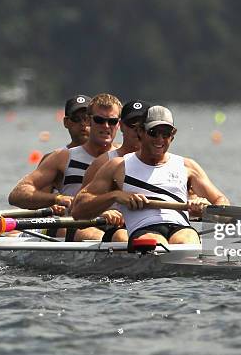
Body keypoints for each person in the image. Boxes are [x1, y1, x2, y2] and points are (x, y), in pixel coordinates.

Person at [72, 105, 229, 248]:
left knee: (187, 239)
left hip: (181, 229)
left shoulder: (187, 166)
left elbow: (222, 203)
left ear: (173, 135)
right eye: (154, 133)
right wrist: (115, 196)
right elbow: (78, 211)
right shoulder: (118, 166)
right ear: (141, 132)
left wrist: (206, 208)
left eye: (166, 134)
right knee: (156, 243)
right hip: (143, 230)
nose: (160, 140)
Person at [8, 93, 122, 241]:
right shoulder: (61, 157)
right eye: (99, 120)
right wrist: (57, 199)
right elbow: (17, 195)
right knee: (96, 236)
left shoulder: (125, 156)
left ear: (119, 124)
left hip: (117, 225)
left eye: (112, 121)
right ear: (90, 121)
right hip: (76, 224)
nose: (106, 126)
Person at [80, 100, 150, 242]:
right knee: (122, 237)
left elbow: (188, 197)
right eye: (132, 125)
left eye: (142, 125)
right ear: (122, 126)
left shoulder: (167, 163)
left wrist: (196, 202)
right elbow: (80, 208)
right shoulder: (104, 162)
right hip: (111, 227)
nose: (137, 130)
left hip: (151, 226)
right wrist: (104, 211)